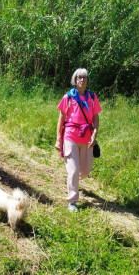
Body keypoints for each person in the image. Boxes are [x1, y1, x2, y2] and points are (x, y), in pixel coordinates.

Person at [55, 68, 102, 212]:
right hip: (70, 136)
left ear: (87, 81)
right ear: (75, 80)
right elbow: (61, 119)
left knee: (86, 170)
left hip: (87, 138)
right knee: (74, 171)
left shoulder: (92, 97)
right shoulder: (68, 97)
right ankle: (72, 201)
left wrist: (94, 133)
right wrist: (58, 139)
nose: (82, 80)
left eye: (85, 77)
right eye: (79, 77)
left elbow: (96, 117)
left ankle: (73, 180)